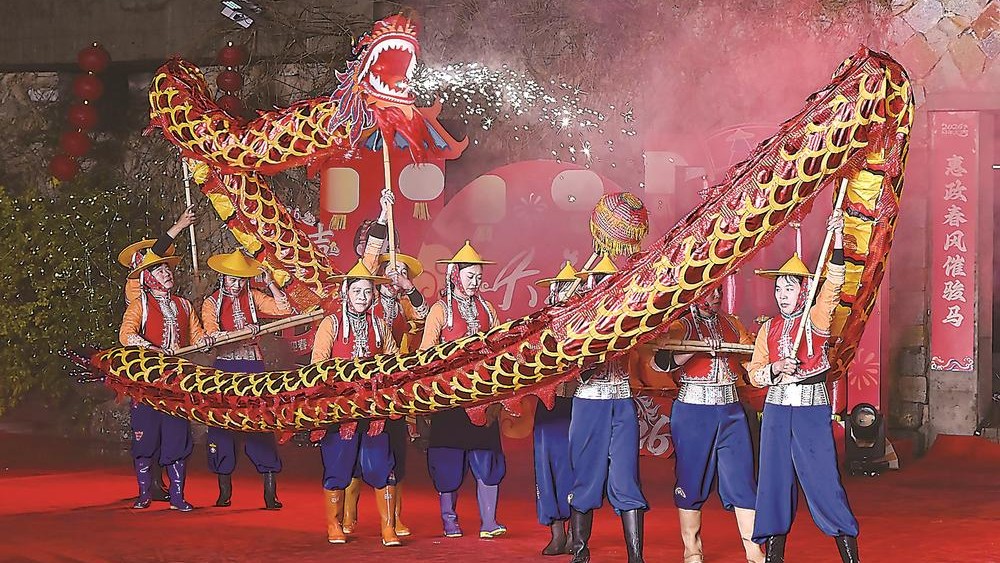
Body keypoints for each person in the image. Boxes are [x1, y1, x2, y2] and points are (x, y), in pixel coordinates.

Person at [747, 211, 860, 563]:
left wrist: (837, 239)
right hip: (778, 412)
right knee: (773, 484)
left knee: (825, 483)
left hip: (811, 412)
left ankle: (850, 556)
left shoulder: (817, 318)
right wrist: (775, 368)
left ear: (803, 291)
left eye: (789, 287)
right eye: (778, 287)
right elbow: (753, 373)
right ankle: (774, 557)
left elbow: (835, 281)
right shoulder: (770, 329)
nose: (782, 293)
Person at [651, 285, 764, 563]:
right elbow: (660, 362)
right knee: (691, 477)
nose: (715, 298)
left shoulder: (731, 323)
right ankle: (692, 550)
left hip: (731, 410)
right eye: (709, 292)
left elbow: (750, 356)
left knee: (743, 479)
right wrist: (694, 350)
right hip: (693, 411)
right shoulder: (680, 324)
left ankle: (754, 551)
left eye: (719, 293)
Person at [343, 189, 428, 537]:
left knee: (392, 453)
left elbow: (422, 317)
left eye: (399, 271)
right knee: (350, 451)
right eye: (387, 270)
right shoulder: (366, 293)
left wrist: (408, 288)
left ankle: (393, 519)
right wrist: (383, 215)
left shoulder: (403, 302)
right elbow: (374, 252)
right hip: (356, 386)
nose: (391, 274)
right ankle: (348, 517)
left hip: (392, 388)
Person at [418, 241, 506, 539]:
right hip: (451, 399)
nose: (475, 282)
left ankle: (489, 522)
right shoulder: (440, 311)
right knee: (448, 463)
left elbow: (501, 348)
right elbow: (425, 355)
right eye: (470, 276)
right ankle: (449, 520)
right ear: (455, 276)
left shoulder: (487, 309)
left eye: (478, 277)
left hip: (482, 397)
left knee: (487, 458)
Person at [312, 260, 402, 547]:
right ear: (345, 293)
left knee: (379, 465)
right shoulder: (332, 323)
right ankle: (334, 524)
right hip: (340, 411)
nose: (363, 297)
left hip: (375, 410)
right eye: (357, 291)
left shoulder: (379, 324)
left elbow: (394, 361)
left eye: (367, 292)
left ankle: (388, 528)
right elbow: (317, 366)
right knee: (338, 467)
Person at [119, 249, 214, 511]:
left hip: (176, 382)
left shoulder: (183, 305)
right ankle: (144, 494)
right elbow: (126, 335)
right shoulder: (141, 306)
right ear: (148, 277)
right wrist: (151, 349)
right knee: (145, 437)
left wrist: (204, 341)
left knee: (177, 436)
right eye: (160, 270)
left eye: (167, 269)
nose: (167, 273)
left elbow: (195, 336)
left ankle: (177, 496)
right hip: (147, 384)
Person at [568, 255, 647, 563]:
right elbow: (580, 370)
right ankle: (580, 551)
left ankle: (636, 557)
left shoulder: (630, 316)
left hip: (623, 402)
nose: (606, 287)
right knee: (587, 476)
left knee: (626, 477)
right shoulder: (578, 320)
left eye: (611, 282)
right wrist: (603, 338)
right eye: (601, 281)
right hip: (590, 402)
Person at [201, 249, 293, 509]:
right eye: (231, 279)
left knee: (260, 423)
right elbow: (212, 333)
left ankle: (270, 492)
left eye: (241, 279)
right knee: (222, 426)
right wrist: (242, 331)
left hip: (253, 367)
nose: (236, 284)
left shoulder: (253, 297)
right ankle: (224, 491)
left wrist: (270, 282)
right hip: (225, 370)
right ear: (223, 278)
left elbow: (283, 309)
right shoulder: (211, 303)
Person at [532, 261, 579, 555]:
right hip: (547, 405)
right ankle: (556, 533)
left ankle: (577, 532)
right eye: (561, 290)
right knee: (545, 467)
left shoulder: (586, 326)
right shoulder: (540, 327)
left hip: (576, 403)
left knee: (574, 468)